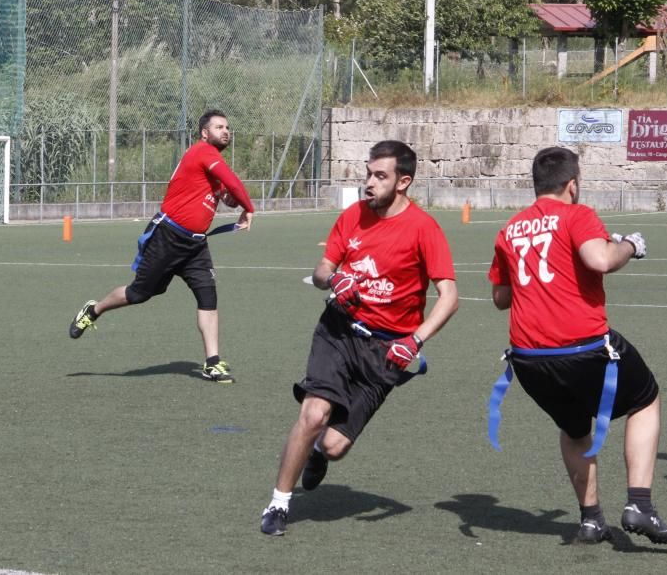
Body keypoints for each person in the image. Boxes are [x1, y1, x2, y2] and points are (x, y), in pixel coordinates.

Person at [260, 140, 459, 536]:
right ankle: (280, 503)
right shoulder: (353, 216)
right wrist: (334, 278)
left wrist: (415, 340)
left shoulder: (424, 228)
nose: (369, 182)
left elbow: (449, 297)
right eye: (368, 173)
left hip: (385, 351)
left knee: (335, 446)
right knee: (314, 413)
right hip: (337, 330)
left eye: (379, 176)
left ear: (404, 181)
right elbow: (320, 272)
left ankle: (317, 453)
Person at [487, 146, 667, 545]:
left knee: (575, 429)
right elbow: (600, 259)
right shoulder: (577, 215)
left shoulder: (509, 230)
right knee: (645, 399)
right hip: (583, 348)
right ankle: (640, 504)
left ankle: (591, 519)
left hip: (528, 360)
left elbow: (501, 298)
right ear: (572, 185)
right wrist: (629, 245)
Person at [68, 109, 254, 383]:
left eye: (227, 127)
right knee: (139, 293)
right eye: (219, 127)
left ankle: (212, 362)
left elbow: (227, 193)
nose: (226, 131)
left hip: (195, 246)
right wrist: (249, 207)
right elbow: (234, 184)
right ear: (205, 133)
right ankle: (94, 310)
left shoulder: (211, 165)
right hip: (167, 236)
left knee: (208, 297)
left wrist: (231, 199)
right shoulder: (202, 152)